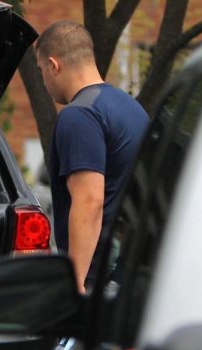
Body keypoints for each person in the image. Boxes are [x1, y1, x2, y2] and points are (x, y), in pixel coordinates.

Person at [36, 20, 149, 292]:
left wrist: (74, 282)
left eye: (41, 70)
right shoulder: (130, 107)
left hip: (98, 279)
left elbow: (89, 201)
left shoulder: (79, 115)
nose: (44, 80)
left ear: (54, 65)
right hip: (131, 274)